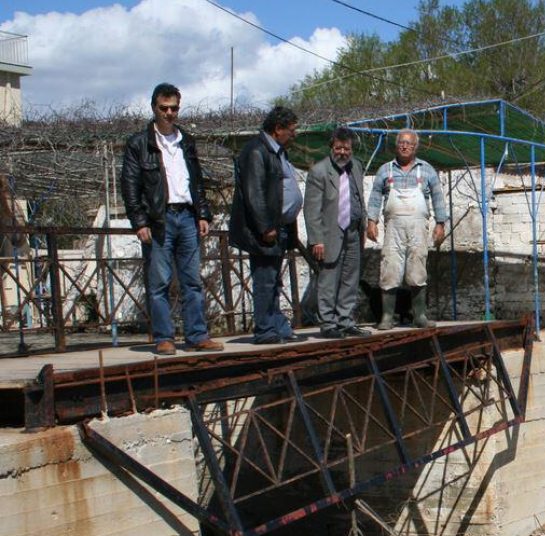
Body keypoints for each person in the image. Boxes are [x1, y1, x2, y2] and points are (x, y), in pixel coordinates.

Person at [121, 82, 224, 355]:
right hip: (159, 219)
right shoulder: (139, 144)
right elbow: (130, 185)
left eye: (174, 108)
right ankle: (164, 337)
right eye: (164, 108)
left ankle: (197, 335)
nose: (169, 113)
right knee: (159, 282)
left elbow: (197, 179)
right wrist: (139, 222)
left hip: (187, 216)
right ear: (154, 108)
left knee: (192, 280)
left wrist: (202, 212)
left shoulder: (185, 141)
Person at [228, 106, 304, 344]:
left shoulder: (278, 152)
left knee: (274, 280)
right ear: (277, 129)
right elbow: (254, 193)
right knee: (265, 279)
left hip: (279, 227)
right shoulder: (256, 151)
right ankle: (265, 330)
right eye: (291, 130)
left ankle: (277, 325)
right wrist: (265, 227)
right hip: (266, 230)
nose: (294, 135)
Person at [366, 129, 447, 329]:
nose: (404, 146)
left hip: (418, 228)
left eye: (409, 143)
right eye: (401, 142)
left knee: (417, 268)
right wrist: (371, 221)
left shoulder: (427, 170)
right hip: (393, 229)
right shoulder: (385, 170)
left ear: (415, 147)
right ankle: (387, 317)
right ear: (396, 145)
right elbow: (376, 197)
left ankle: (419, 315)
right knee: (390, 268)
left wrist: (440, 224)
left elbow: (437, 197)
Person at [303, 127, 370, 338]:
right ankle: (328, 324)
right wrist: (316, 240)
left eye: (347, 149)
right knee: (328, 279)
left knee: (350, 278)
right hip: (329, 234)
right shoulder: (319, 172)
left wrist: (364, 227)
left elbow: (359, 198)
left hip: (353, 232)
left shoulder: (356, 167)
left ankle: (346, 321)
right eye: (339, 148)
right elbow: (311, 209)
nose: (343, 152)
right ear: (331, 147)